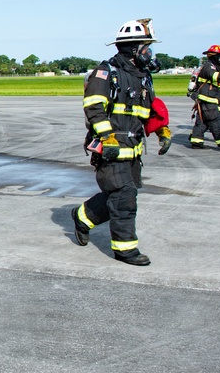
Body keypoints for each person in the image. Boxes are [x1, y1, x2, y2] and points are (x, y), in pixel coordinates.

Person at [72, 18, 167, 266]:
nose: (150, 52)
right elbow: (94, 107)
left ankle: (83, 216)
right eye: (146, 47)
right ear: (132, 49)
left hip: (132, 150)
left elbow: (147, 109)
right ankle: (125, 249)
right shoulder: (105, 74)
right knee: (125, 197)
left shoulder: (143, 76)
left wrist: (161, 130)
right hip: (110, 149)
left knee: (121, 194)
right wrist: (107, 137)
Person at [188, 44, 220, 150]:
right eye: (218, 56)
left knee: (203, 120)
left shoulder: (211, 66)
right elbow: (217, 77)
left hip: (207, 98)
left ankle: (196, 141)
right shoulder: (209, 66)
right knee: (215, 120)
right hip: (208, 98)